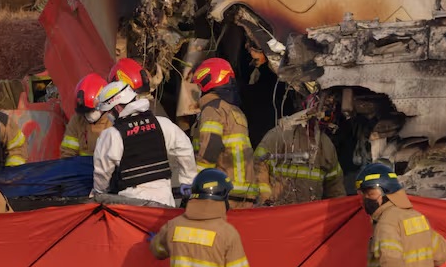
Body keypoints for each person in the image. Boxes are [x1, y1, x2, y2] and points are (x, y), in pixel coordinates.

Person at [91, 80, 195, 206]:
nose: (109, 116)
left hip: (130, 205)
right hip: (165, 202)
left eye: (109, 112)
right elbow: (184, 148)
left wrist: (99, 192)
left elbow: (102, 172)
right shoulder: (162, 124)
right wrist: (188, 180)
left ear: (117, 108)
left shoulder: (111, 135)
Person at [189, 57, 258, 206]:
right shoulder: (234, 110)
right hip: (245, 192)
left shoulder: (212, 110)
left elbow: (210, 148)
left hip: (224, 192)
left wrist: (197, 184)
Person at [253, 96, 345, 205]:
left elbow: (335, 188)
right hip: (278, 212)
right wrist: (265, 200)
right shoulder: (281, 134)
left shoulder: (326, 145)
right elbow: (259, 163)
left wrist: (339, 210)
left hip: (310, 217)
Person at [59, 73, 111, 158]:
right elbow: (67, 154)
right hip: (82, 170)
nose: (88, 115)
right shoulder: (77, 121)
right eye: (85, 112)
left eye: (92, 110)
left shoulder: (114, 121)